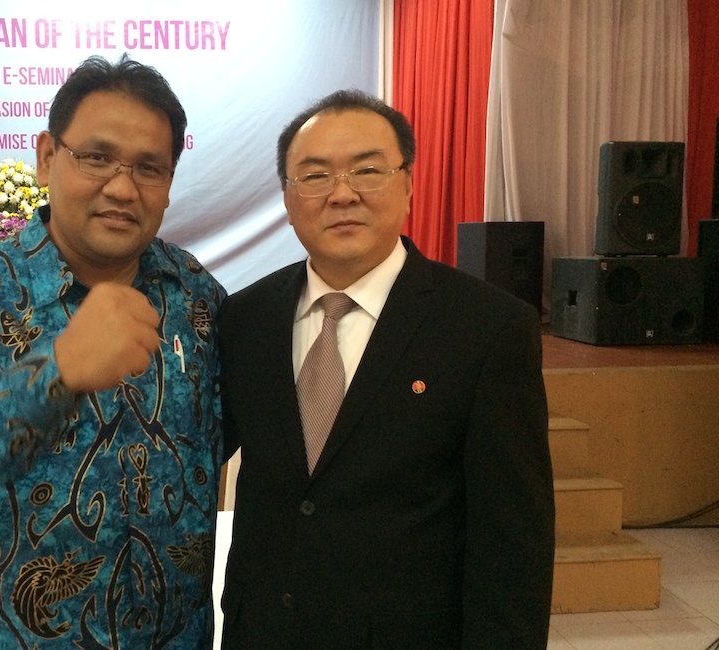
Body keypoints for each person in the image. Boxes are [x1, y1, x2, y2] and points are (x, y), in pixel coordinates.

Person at [0, 54, 225, 649]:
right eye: (97, 157)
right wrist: (52, 375)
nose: (122, 187)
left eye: (149, 168)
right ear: (46, 157)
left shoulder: (196, 297)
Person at [218, 90, 555, 648]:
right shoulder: (245, 318)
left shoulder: (487, 328)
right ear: (288, 196)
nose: (342, 193)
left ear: (408, 184)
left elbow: (513, 542)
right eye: (315, 176)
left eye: (368, 170)